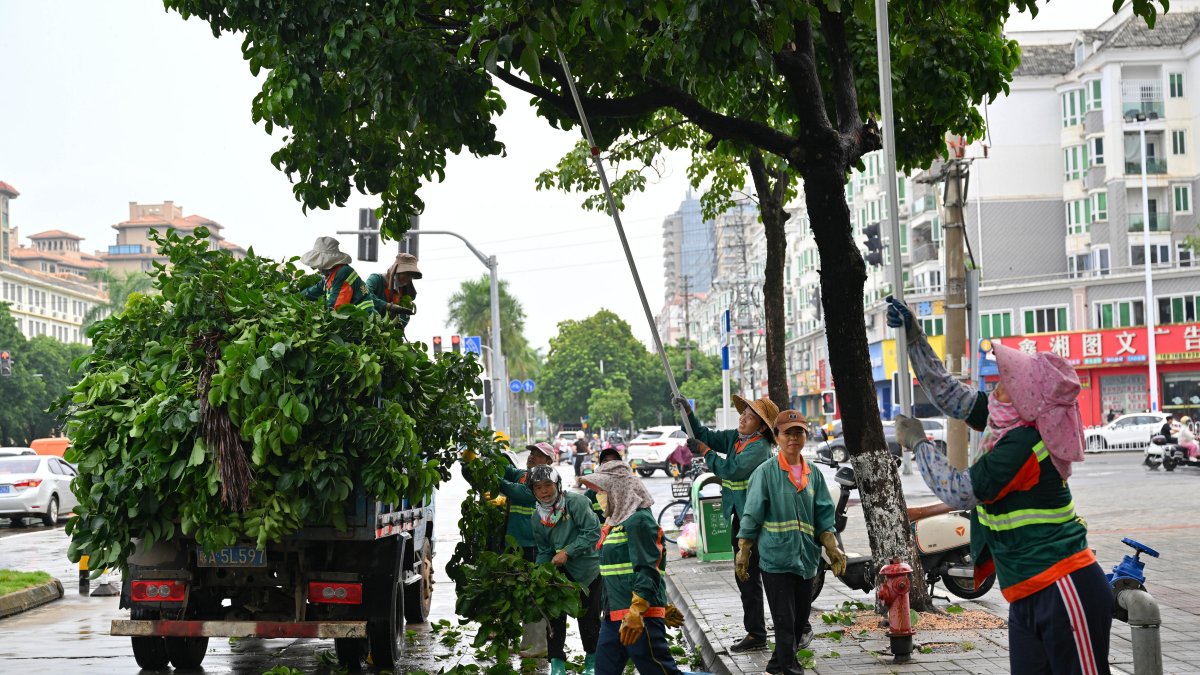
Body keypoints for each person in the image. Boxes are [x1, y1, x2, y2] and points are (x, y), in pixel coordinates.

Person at [887, 296, 1113, 675]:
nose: (999, 385)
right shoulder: (1005, 419)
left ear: (1028, 399)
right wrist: (914, 338)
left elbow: (960, 489)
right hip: (1025, 592)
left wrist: (920, 445)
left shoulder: (1023, 444)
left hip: (1063, 585)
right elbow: (949, 394)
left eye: (1009, 382)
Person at [737, 410, 844, 675]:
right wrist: (744, 550)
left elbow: (823, 514)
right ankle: (789, 669)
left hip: (806, 559)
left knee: (798, 622)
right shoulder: (765, 473)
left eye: (799, 432)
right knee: (784, 621)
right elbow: (751, 514)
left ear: (806, 436)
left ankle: (776, 665)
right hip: (775, 558)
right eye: (787, 433)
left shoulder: (814, 474)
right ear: (777, 437)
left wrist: (832, 547)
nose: (793, 438)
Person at [673, 393, 777, 653]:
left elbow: (730, 470)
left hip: (757, 520)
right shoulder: (737, 439)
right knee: (744, 576)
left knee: (758, 576)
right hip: (739, 516)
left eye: (750, 417)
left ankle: (776, 631)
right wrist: (688, 412)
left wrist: (706, 452)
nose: (743, 418)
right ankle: (756, 632)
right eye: (743, 414)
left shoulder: (759, 447)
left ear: (762, 427)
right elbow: (706, 435)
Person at [580, 461, 685, 675]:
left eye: (602, 491)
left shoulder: (638, 521)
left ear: (618, 491)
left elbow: (649, 568)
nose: (598, 497)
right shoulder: (614, 522)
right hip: (614, 616)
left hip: (638, 617)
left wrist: (639, 609)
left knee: (658, 670)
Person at [528, 465, 602, 675]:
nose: (544, 491)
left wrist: (568, 552)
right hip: (558, 573)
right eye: (539, 487)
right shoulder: (537, 517)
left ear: (558, 485)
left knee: (589, 618)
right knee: (554, 617)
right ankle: (557, 663)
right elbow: (544, 550)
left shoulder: (576, 503)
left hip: (587, 570)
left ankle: (592, 660)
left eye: (548, 485)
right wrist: (540, 574)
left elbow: (593, 532)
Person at [496, 442, 557, 658]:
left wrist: (492, 478)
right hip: (517, 545)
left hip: (534, 546)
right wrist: (484, 457)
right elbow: (505, 469)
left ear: (548, 462)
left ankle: (540, 644)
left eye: (538, 455)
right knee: (522, 595)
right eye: (531, 453)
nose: (531, 457)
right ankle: (528, 643)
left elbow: (516, 491)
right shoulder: (523, 475)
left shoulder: (546, 481)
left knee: (534, 595)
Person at [299, 237, 376, 312]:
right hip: (353, 318)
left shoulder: (343, 272)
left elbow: (335, 307)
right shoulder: (327, 277)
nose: (317, 268)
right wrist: (296, 295)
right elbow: (312, 292)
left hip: (363, 317)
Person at [366, 252, 421, 325]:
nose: (408, 278)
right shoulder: (376, 279)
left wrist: (398, 324)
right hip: (369, 324)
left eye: (411, 275)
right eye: (406, 274)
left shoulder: (404, 292)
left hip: (386, 331)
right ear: (396, 271)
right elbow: (366, 295)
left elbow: (404, 318)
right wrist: (387, 306)